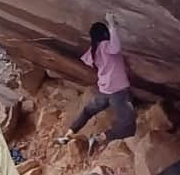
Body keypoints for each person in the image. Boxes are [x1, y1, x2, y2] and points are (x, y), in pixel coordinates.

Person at [57, 13, 136, 151]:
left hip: (104, 91)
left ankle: (68, 134)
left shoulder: (94, 51)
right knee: (128, 128)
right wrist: (112, 24)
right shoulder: (106, 46)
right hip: (118, 92)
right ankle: (100, 138)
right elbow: (116, 47)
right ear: (104, 34)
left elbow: (87, 60)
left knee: (87, 111)